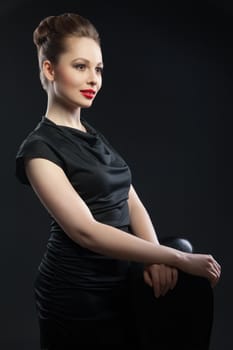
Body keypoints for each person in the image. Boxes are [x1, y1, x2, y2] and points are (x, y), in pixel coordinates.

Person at [15, 12, 221, 349]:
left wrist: (155, 256)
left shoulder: (93, 136)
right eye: (81, 66)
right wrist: (177, 258)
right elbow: (86, 231)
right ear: (50, 70)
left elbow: (130, 198)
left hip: (122, 281)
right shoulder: (39, 149)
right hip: (77, 294)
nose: (93, 79)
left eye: (98, 69)